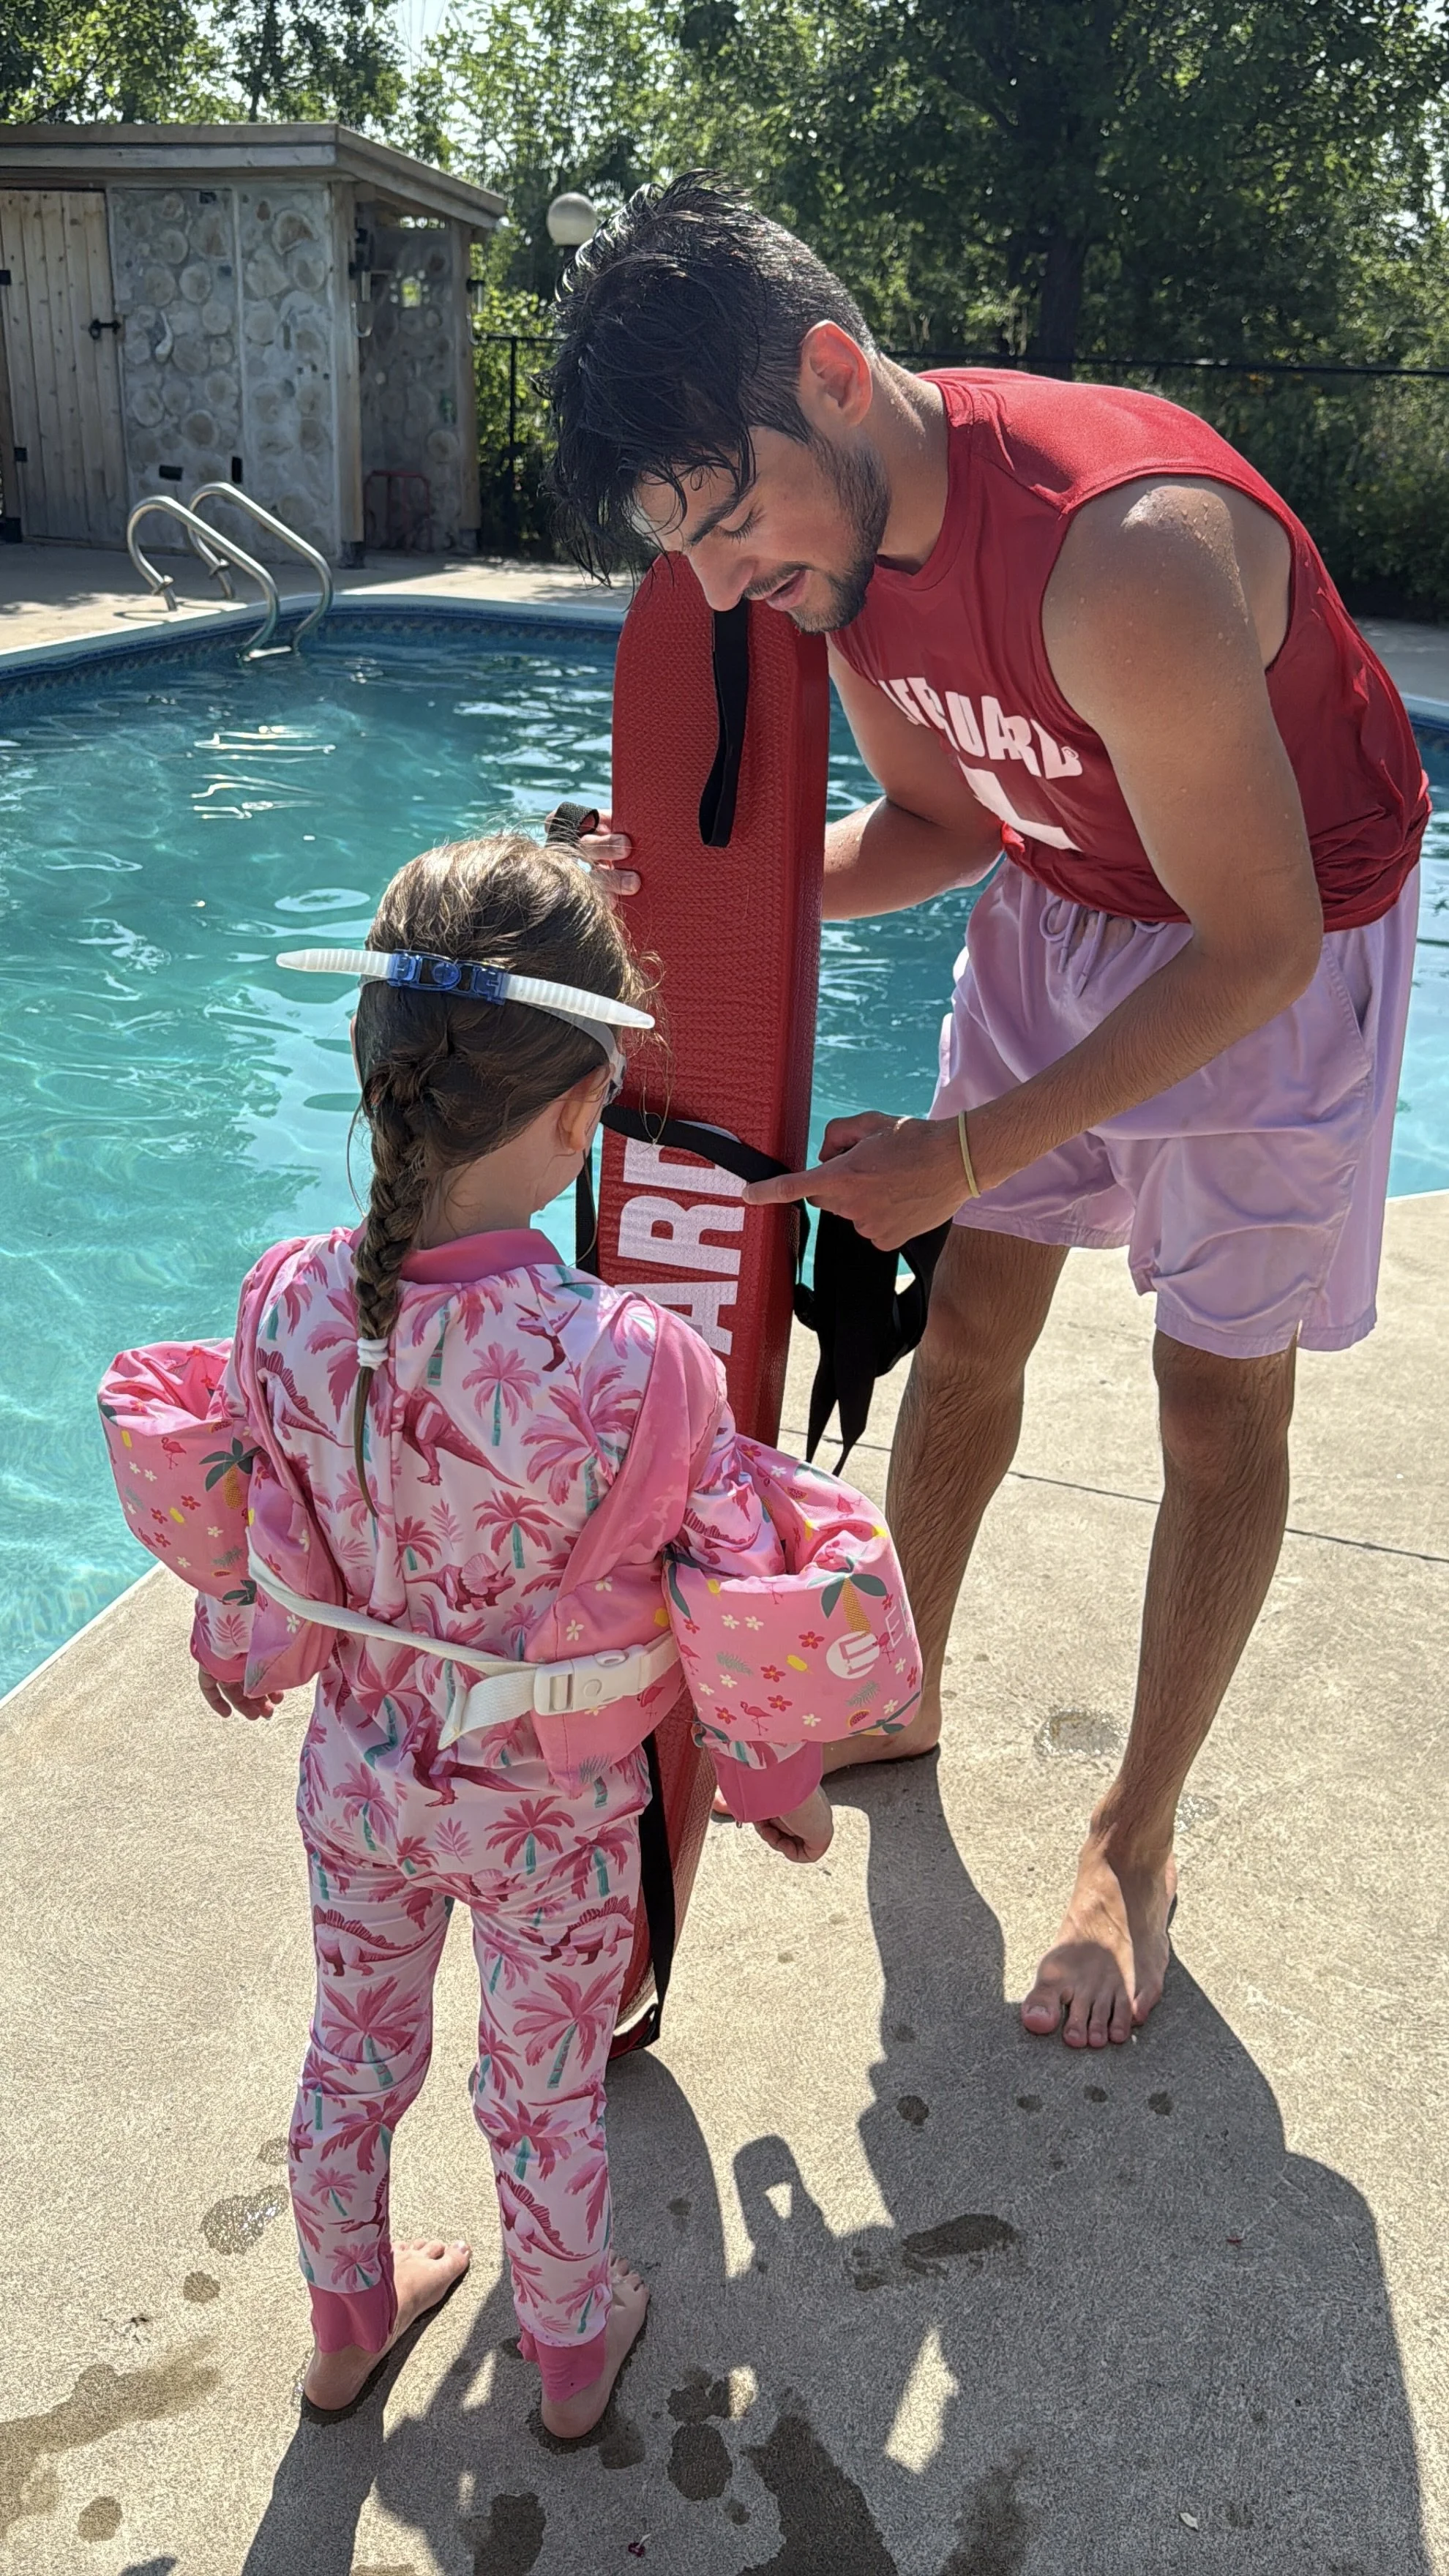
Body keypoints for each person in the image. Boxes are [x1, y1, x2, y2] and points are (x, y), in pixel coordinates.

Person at [544, 176, 1426, 2052]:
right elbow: (945, 824)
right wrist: (710, 895)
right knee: (971, 1324)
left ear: (835, 378)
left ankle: (1137, 1835)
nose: (716, 586)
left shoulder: (1128, 559)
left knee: (1214, 1391)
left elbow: (1255, 938)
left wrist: (961, 1151)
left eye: (726, 525)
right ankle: (903, 1675)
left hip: (1279, 932)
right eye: (677, 549)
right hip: (1065, 898)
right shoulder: (844, 567)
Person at [98, 831, 921, 2434]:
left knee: (355, 2045)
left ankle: (344, 2323)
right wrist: (783, 1792)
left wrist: (242, 1661)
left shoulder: (285, 1299)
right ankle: (565, 2355)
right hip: (549, 1818)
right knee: (539, 2091)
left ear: (375, 1071)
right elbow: (733, 1599)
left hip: (361, 1787)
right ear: (577, 1113)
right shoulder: (639, 1359)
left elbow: (274, 1550)